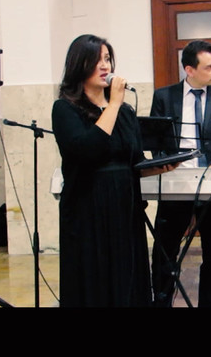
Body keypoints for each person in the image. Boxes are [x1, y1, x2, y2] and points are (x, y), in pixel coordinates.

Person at [51, 34, 177, 307]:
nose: (104, 66)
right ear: (78, 65)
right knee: (95, 279)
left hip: (124, 208)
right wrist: (114, 103)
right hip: (88, 210)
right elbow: (88, 150)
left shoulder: (126, 112)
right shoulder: (65, 109)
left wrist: (158, 167)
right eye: (96, 60)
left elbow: (132, 162)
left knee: (127, 277)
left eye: (107, 59)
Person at [149, 40, 211, 307]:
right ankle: (162, 301)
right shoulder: (164, 97)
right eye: (209, 66)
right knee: (164, 251)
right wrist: (165, 163)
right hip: (176, 183)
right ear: (189, 70)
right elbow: (156, 141)